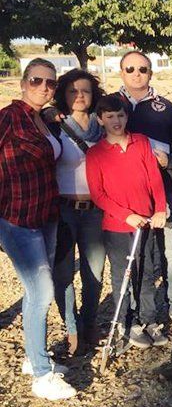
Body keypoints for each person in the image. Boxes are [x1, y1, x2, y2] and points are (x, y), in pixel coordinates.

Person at [0, 58, 76, 400]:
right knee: (43, 290)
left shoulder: (42, 119)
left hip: (46, 215)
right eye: (36, 80)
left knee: (34, 294)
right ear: (22, 82)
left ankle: (34, 357)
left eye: (50, 82)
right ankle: (42, 376)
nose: (43, 87)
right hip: (17, 219)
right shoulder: (9, 117)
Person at [115, 50, 172, 320]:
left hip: (165, 188)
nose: (136, 74)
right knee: (137, 254)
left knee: (170, 249)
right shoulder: (110, 105)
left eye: (142, 69)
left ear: (151, 72)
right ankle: (137, 310)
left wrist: (170, 160)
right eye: (130, 69)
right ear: (121, 72)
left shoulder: (166, 108)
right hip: (126, 194)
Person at [86, 96, 168, 348]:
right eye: (109, 116)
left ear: (127, 116)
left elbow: (154, 178)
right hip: (118, 226)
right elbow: (98, 194)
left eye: (120, 115)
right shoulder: (95, 153)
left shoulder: (141, 142)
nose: (116, 121)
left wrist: (159, 209)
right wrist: (125, 215)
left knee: (146, 272)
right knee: (122, 274)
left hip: (146, 222)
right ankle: (126, 321)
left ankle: (148, 319)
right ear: (101, 119)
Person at [45, 69, 106, 356]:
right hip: (65, 209)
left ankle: (90, 323)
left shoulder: (103, 125)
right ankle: (71, 327)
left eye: (85, 91)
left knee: (94, 272)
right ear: (63, 95)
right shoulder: (55, 125)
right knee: (63, 274)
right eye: (73, 91)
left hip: (96, 211)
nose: (79, 96)